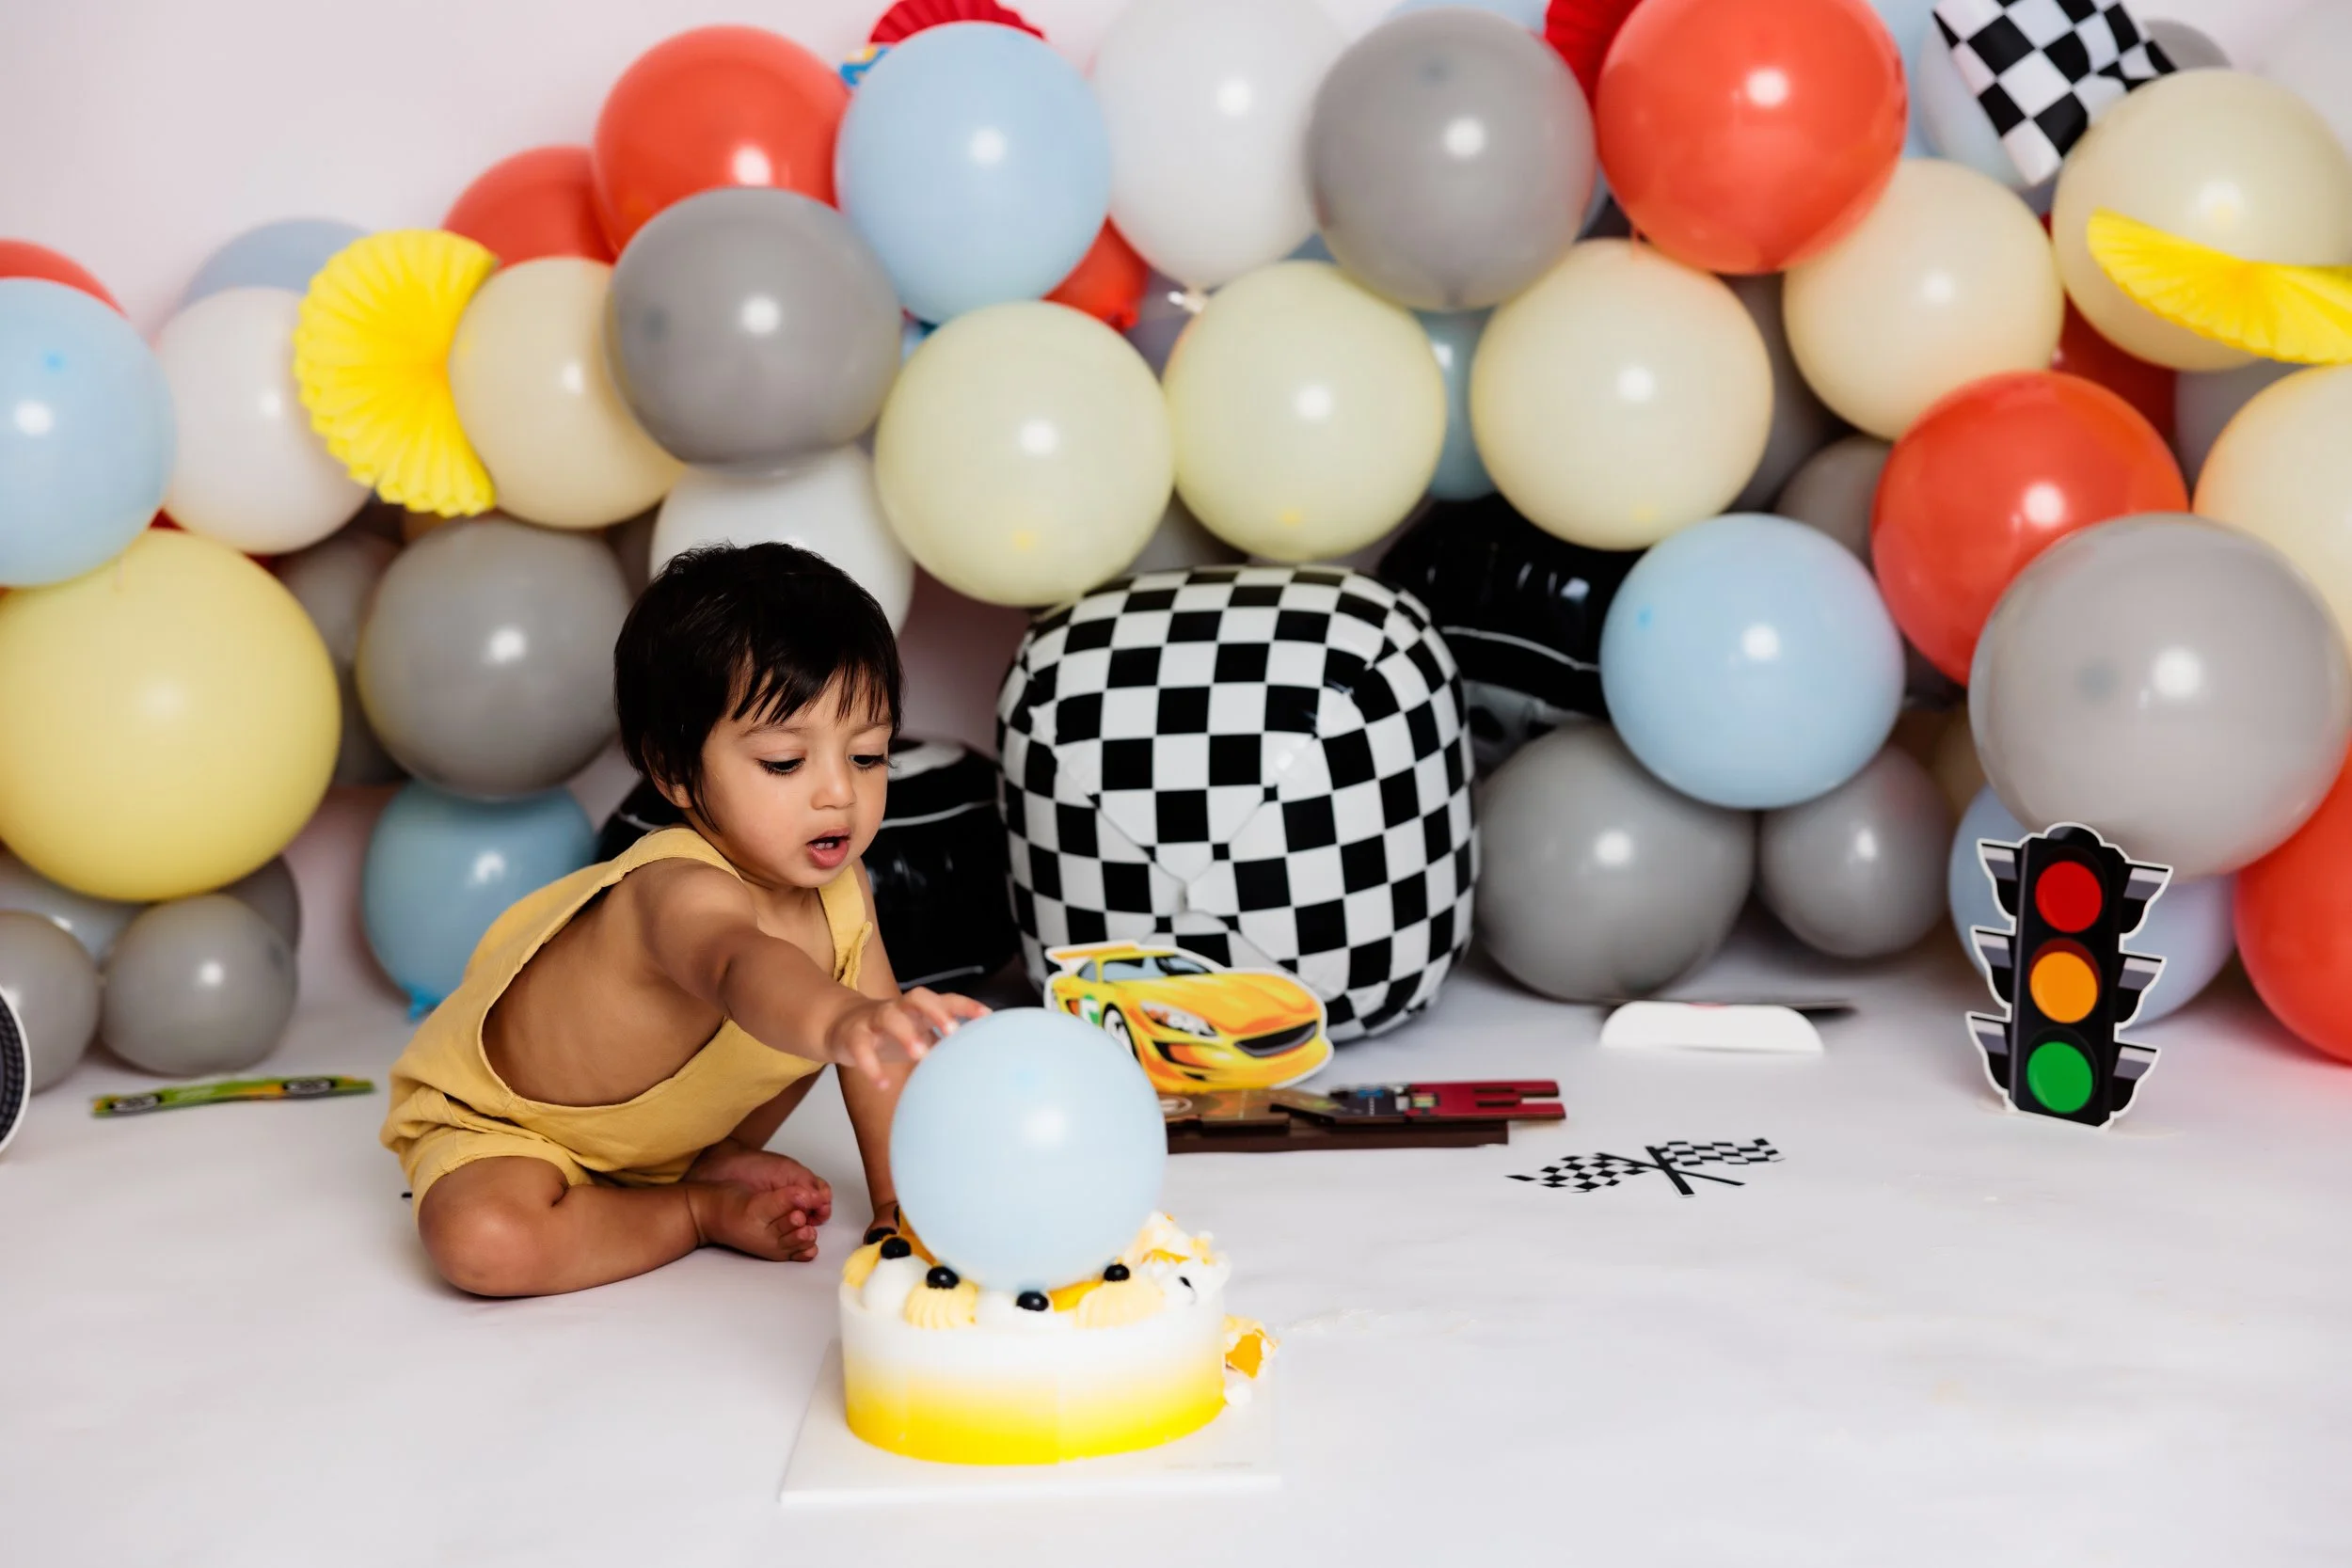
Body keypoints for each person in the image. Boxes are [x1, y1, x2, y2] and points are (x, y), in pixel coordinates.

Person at [380, 543, 986, 1297]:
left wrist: (904, 1206)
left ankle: (694, 1161)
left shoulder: (842, 884)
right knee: (484, 1242)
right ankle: (692, 1206)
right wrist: (843, 1021)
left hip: (667, 1128)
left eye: (867, 756)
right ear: (673, 770)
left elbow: (880, 1062)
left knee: (854, 1019)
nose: (839, 793)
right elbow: (741, 966)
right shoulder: (674, 887)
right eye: (783, 764)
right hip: (515, 1130)